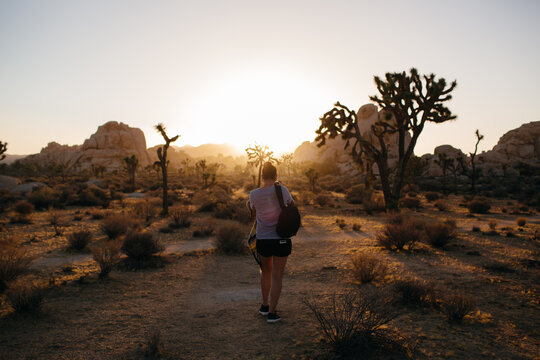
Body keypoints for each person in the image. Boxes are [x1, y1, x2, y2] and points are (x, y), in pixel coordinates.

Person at [248, 162, 294, 323]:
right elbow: (291, 206)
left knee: (265, 272)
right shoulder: (282, 190)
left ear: (262, 176)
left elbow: (253, 213)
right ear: (275, 175)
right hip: (281, 238)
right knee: (277, 275)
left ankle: (265, 306)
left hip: (263, 239)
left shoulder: (253, 194)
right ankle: (272, 314)